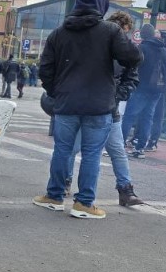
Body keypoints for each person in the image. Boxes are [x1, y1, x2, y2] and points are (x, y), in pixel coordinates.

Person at [34, 0, 141, 219]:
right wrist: (114, 92)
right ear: (101, 7)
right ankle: (84, 203)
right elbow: (133, 57)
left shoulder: (59, 32)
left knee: (62, 150)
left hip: (67, 104)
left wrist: (58, 91)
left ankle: (54, 196)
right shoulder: (110, 31)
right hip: (99, 105)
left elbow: (45, 69)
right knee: (92, 154)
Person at [61, 11, 144, 207]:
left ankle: (126, 190)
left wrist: (116, 96)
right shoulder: (101, 48)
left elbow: (132, 78)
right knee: (77, 149)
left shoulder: (123, 52)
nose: (121, 36)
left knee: (115, 150)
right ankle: (66, 182)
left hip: (108, 107)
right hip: (91, 107)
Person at [121, 24, 166, 159]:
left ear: (142, 35)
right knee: (147, 117)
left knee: (129, 116)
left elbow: (134, 67)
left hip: (141, 87)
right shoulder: (163, 49)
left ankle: (119, 145)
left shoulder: (142, 48)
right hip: (157, 89)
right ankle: (140, 148)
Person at [144, 30, 166, 151]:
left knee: (157, 114)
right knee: (153, 113)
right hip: (160, 86)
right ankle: (148, 140)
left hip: (162, 87)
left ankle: (153, 141)